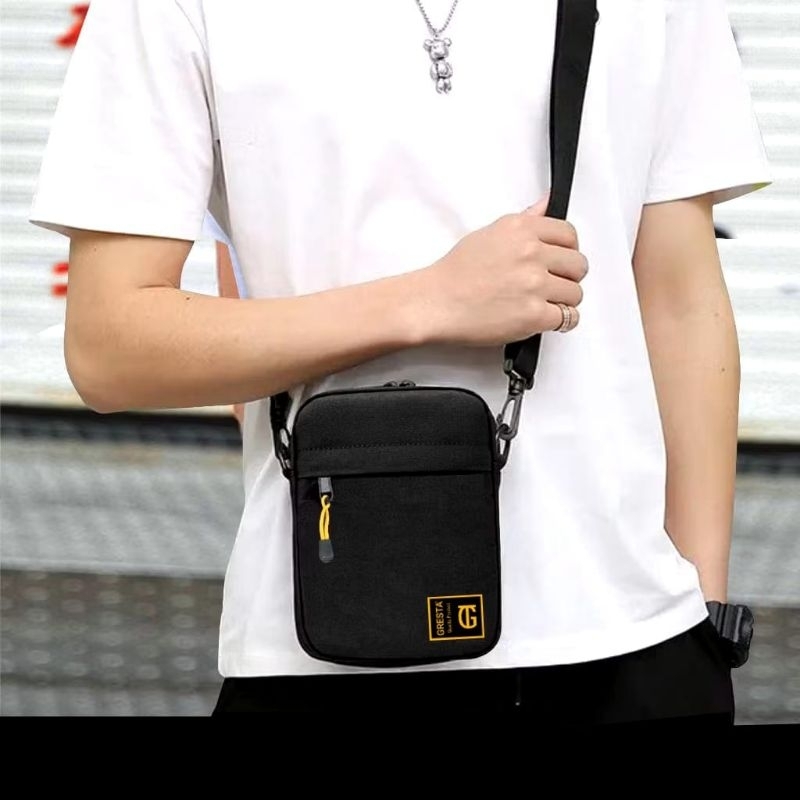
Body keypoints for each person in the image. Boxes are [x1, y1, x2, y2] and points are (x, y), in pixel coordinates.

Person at [30, 0, 771, 722]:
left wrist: (704, 612)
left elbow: (680, 304)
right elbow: (108, 347)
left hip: (639, 643)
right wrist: (428, 301)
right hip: (324, 643)